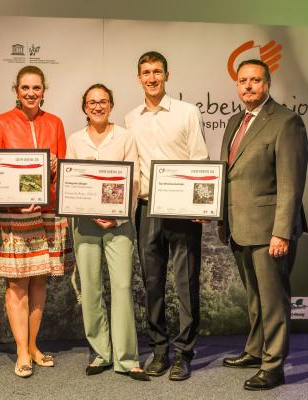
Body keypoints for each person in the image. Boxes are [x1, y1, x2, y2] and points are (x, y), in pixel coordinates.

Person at [0, 65, 74, 378]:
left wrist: (58, 165)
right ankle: (21, 350)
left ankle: (33, 345)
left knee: (39, 280)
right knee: (17, 282)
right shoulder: (0, 122)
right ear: (16, 90)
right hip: (13, 214)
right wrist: (12, 199)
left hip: (46, 212)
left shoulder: (56, 122)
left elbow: (59, 172)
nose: (31, 93)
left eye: (36, 88)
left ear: (44, 90)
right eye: (25, 88)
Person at [218, 59, 308, 390]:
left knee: (273, 301)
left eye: (255, 80)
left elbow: (291, 184)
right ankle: (255, 351)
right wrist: (220, 216)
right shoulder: (234, 121)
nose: (248, 86)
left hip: (270, 229)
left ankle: (274, 365)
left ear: (267, 84)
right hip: (240, 226)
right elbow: (229, 177)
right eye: (243, 81)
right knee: (255, 297)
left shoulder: (287, 122)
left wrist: (281, 232)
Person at [124, 51, 209, 381]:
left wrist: (201, 206)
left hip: (184, 211)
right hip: (147, 210)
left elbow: (200, 161)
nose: (151, 77)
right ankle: (160, 351)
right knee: (152, 284)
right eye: (145, 72)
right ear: (138, 78)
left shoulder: (187, 112)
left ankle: (185, 353)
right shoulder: (131, 119)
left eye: (157, 71)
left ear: (167, 75)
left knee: (186, 285)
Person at [67, 83, 149, 381]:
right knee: (90, 288)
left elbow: (135, 179)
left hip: (119, 224)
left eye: (103, 101)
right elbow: (72, 183)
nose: (97, 106)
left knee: (123, 287)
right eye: (92, 102)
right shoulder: (75, 139)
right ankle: (101, 353)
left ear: (111, 105)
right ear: (84, 107)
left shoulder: (125, 136)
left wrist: (118, 217)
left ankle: (127, 359)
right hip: (85, 224)